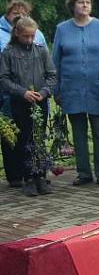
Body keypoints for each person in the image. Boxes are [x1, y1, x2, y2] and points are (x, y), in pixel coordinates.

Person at [53, 0, 99, 186]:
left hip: (98, 89)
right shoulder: (62, 29)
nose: (85, 5)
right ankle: (83, 173)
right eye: (81, 2)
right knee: (78, 133)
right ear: (72, 5)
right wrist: (56, 90)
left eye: (88, 2)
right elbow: (55, 62)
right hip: (71, 89)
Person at [0, 15, 56, 196]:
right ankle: (29, 178)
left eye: (32, 36)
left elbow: (52, 75)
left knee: (38, 138)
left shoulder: (41, 51)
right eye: (26, 36)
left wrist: (44, 92)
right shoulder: (8, 53)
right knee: (24, 139)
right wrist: (22, 92)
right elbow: (4, 79)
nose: (30, 40)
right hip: (19, 102)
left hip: (40, 101)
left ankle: (41, 176)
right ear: (17, 33)